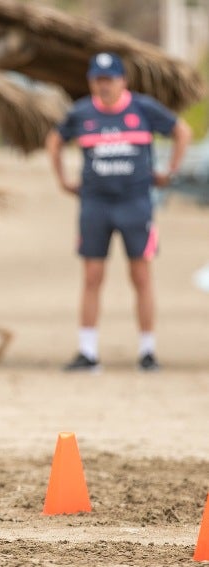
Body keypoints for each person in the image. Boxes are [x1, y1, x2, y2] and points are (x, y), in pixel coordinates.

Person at [46, 52, 192, 372]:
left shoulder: (143, 108)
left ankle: (147, 351)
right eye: (98, 81)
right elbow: (54, 140)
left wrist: (170, 170)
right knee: (92, 277)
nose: (104, 87)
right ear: (91, 83)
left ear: (122, 81)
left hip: (136, 204)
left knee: (140, 275)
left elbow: (182, 131)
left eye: (109, 80)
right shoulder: (82, 113)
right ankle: (88, 352)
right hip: (95, 204)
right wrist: (62, 180)